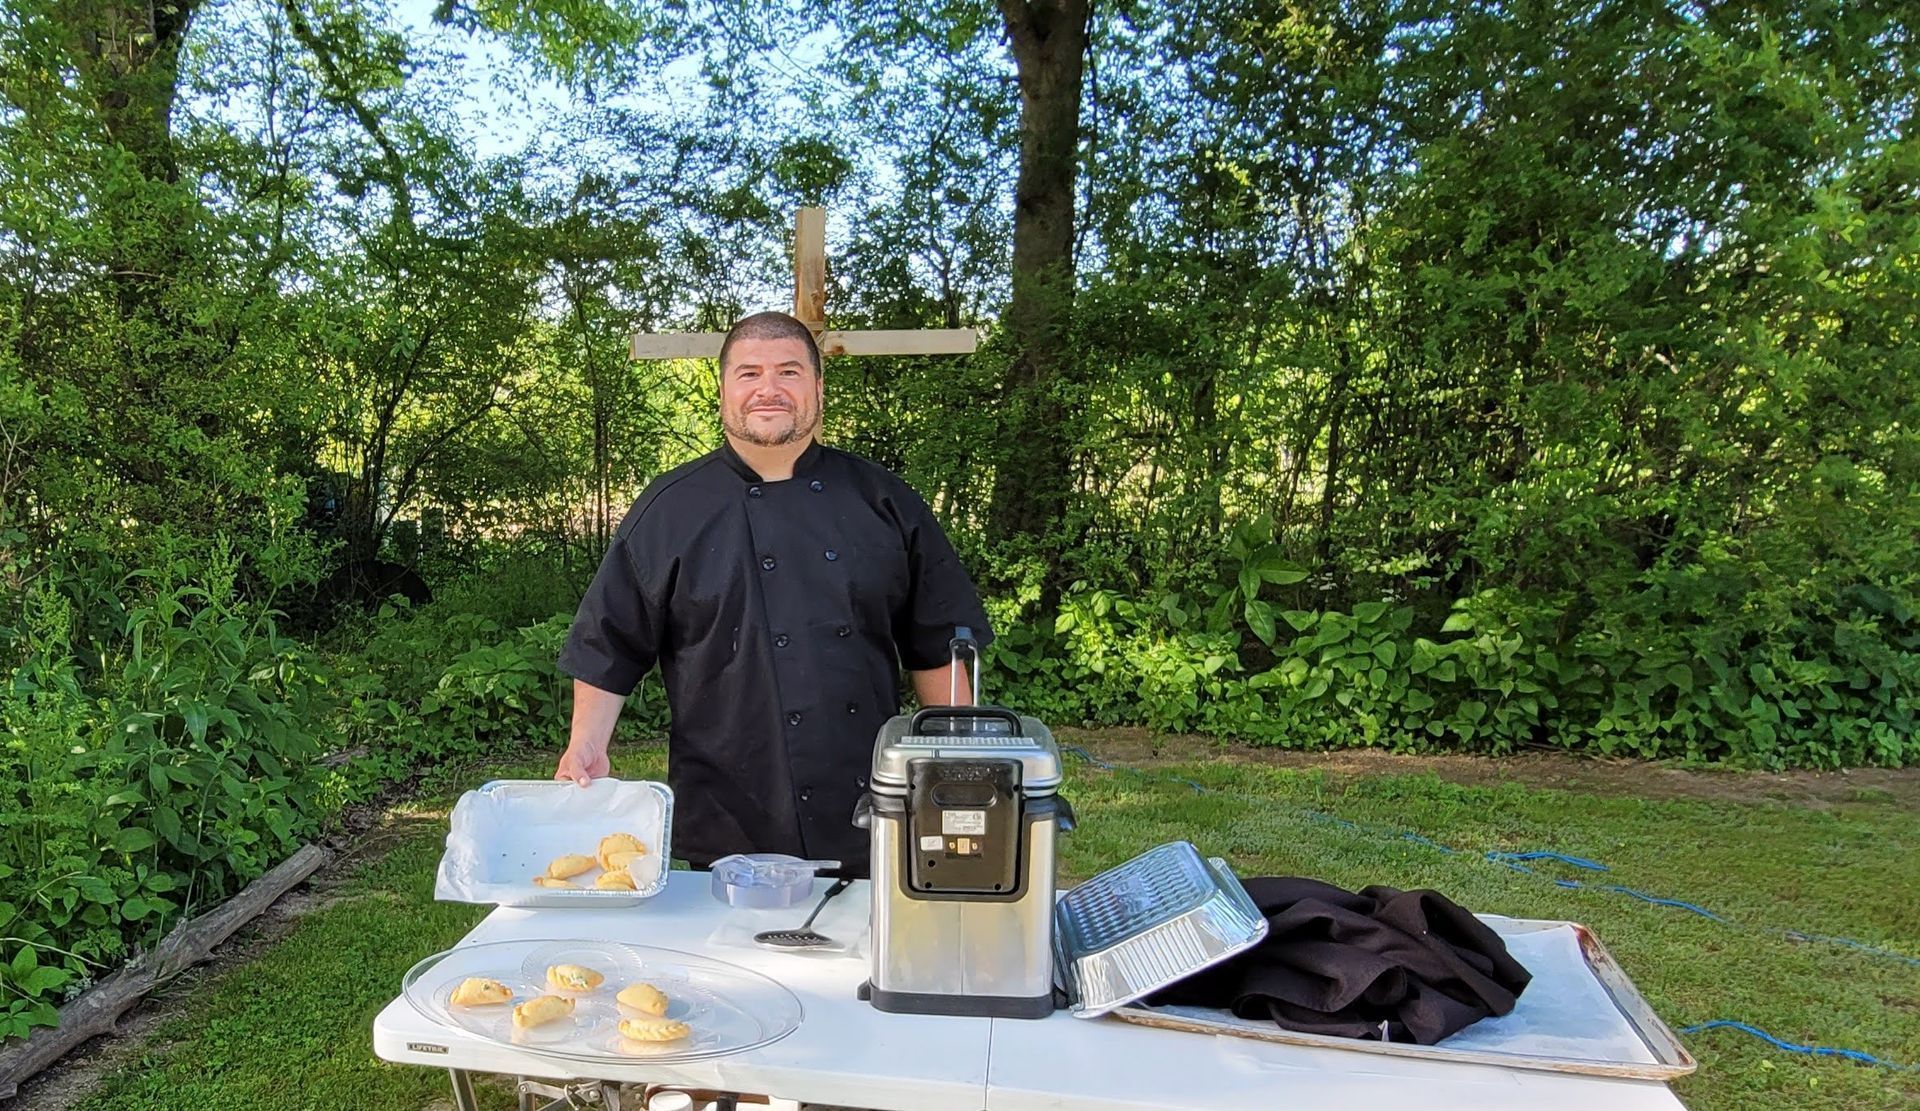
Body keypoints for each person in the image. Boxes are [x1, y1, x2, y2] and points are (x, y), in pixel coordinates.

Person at [553, 311, 992, 878]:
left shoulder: (884, 501)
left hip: (869, 803)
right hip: (727, 808)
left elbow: (940, 639)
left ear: (817, 387)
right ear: (722, 390)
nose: (769, 389)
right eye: (749, 373)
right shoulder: (670, 509)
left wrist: (959, 760)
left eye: (788, 371)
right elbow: (609, 642)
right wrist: (587, 743)